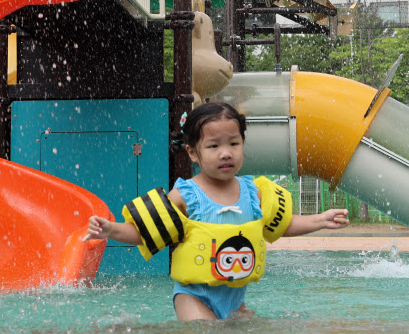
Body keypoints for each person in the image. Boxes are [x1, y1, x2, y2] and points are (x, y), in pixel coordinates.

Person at [84, 102, 349, 321]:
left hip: (235, 301)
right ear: (192, 153)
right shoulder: (186, 195)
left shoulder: (253, 191)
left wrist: (321, 220)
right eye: (213, 146)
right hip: (194, 297)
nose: (225, 153)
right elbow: (144, 232)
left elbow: (280, 226)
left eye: (233, 144)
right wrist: (111, 229)